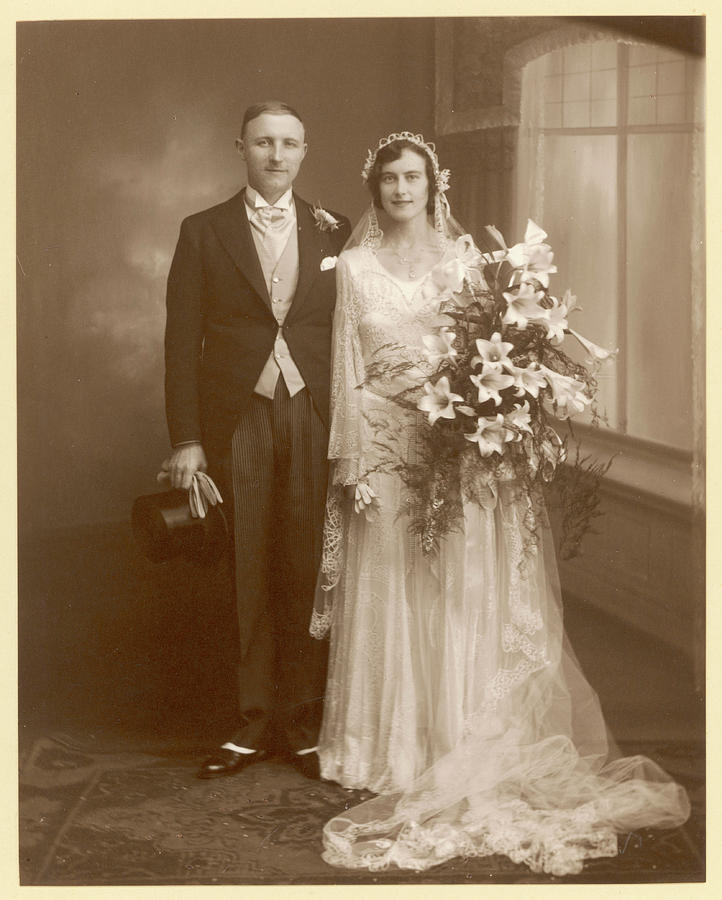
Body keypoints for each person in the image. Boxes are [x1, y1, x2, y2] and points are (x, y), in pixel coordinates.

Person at [310, 132, 690, 874]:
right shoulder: (352, 268)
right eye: (388, 178)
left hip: (454, 452)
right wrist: (353, 459)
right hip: (383, 452)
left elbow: (494, 351)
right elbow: (345, 371)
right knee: (391, 593)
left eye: (412, 176)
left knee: (452, 598)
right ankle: (381, 749)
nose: (400, 189)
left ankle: (454, 741)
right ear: (374, 188)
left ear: (433, 184)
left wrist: (488, 429)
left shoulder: (464, 263)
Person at [164, 100, 350, 780]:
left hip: (311, 410)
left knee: (306, 565)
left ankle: (301, 725)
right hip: (236, 415)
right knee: (247, 568)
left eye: (290, 143)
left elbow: (347, 331)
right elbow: (180, 342)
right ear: (238, 146)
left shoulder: (335, 229)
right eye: (263, 142)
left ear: (304, 151)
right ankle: (249, 725)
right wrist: (187, 438)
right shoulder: (203, 231)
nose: (277, 155)